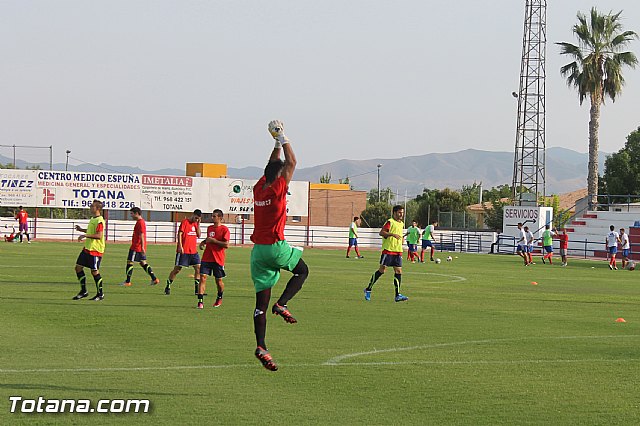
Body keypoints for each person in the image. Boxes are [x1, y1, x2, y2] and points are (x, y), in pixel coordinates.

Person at [251, 120, 309, 372]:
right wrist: (283, 137)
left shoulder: (258, 189)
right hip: (275, 247)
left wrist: (274, 142)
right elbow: (292, 163)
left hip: (257, 253)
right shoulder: (276, 189)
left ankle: (262, 346)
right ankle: (282, 303)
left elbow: (272, 166)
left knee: (259, 306)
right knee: (302, 270)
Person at [364, 205, 409, 303]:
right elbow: (382, 232)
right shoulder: (390, 222)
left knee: (398, 272)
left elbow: (399, 235)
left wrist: (401, 240)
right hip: (388, 250)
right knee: (382, 270)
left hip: (398, 251)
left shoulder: (401, 224)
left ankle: (397, 295)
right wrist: (392, 234)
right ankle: (368, 289)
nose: (401, 214)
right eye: (399, 212)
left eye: (402, 212)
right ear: (394, 213)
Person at [72, 200, 106, 301]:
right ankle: (84, 291)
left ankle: (100, 294)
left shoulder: (100, 220)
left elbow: (99, 235)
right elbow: (91, 231)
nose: (90, 207)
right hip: (87, 248)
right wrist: (81, 230)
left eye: (92, 206)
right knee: (78, 268)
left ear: (98, 209)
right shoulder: (93, 219)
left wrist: (85, 235)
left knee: (94, 272)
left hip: (95, 250)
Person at [197, 209, 230, 309]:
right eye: (212, 216)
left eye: (214, 216)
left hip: (218, 259)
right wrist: (203, 242)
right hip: (207, 257)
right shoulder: (210, 228)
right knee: (202, 277)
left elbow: (226, 245)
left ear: (220, 217)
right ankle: (200, 302)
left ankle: (219, 296)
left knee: (218, 281)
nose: (212, 218)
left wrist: (214, 241)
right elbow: (209, 239)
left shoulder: (224, 229)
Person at [165, 209, 202, 295]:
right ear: (193, 215)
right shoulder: (185, 222)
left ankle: (197, 290)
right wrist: (180, 246)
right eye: (196, 218)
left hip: (193, 251)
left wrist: (198, 224)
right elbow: (180, 234)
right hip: (184, 251)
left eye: (198, 219)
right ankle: (168, 285)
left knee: (198, 268)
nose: (196, 220)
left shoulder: (196, 224)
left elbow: (199, 235)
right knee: (177, 270)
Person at [121, 207, 160, 287]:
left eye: (132, 213)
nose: (131, 215)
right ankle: (154, 279)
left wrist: (142, 247)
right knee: (143, 263)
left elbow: (142, 235)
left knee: (130, 262)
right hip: (139, 246)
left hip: (136, 247)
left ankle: (128, 282)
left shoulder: (140, 222)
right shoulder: (140, 222)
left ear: (136, 213)